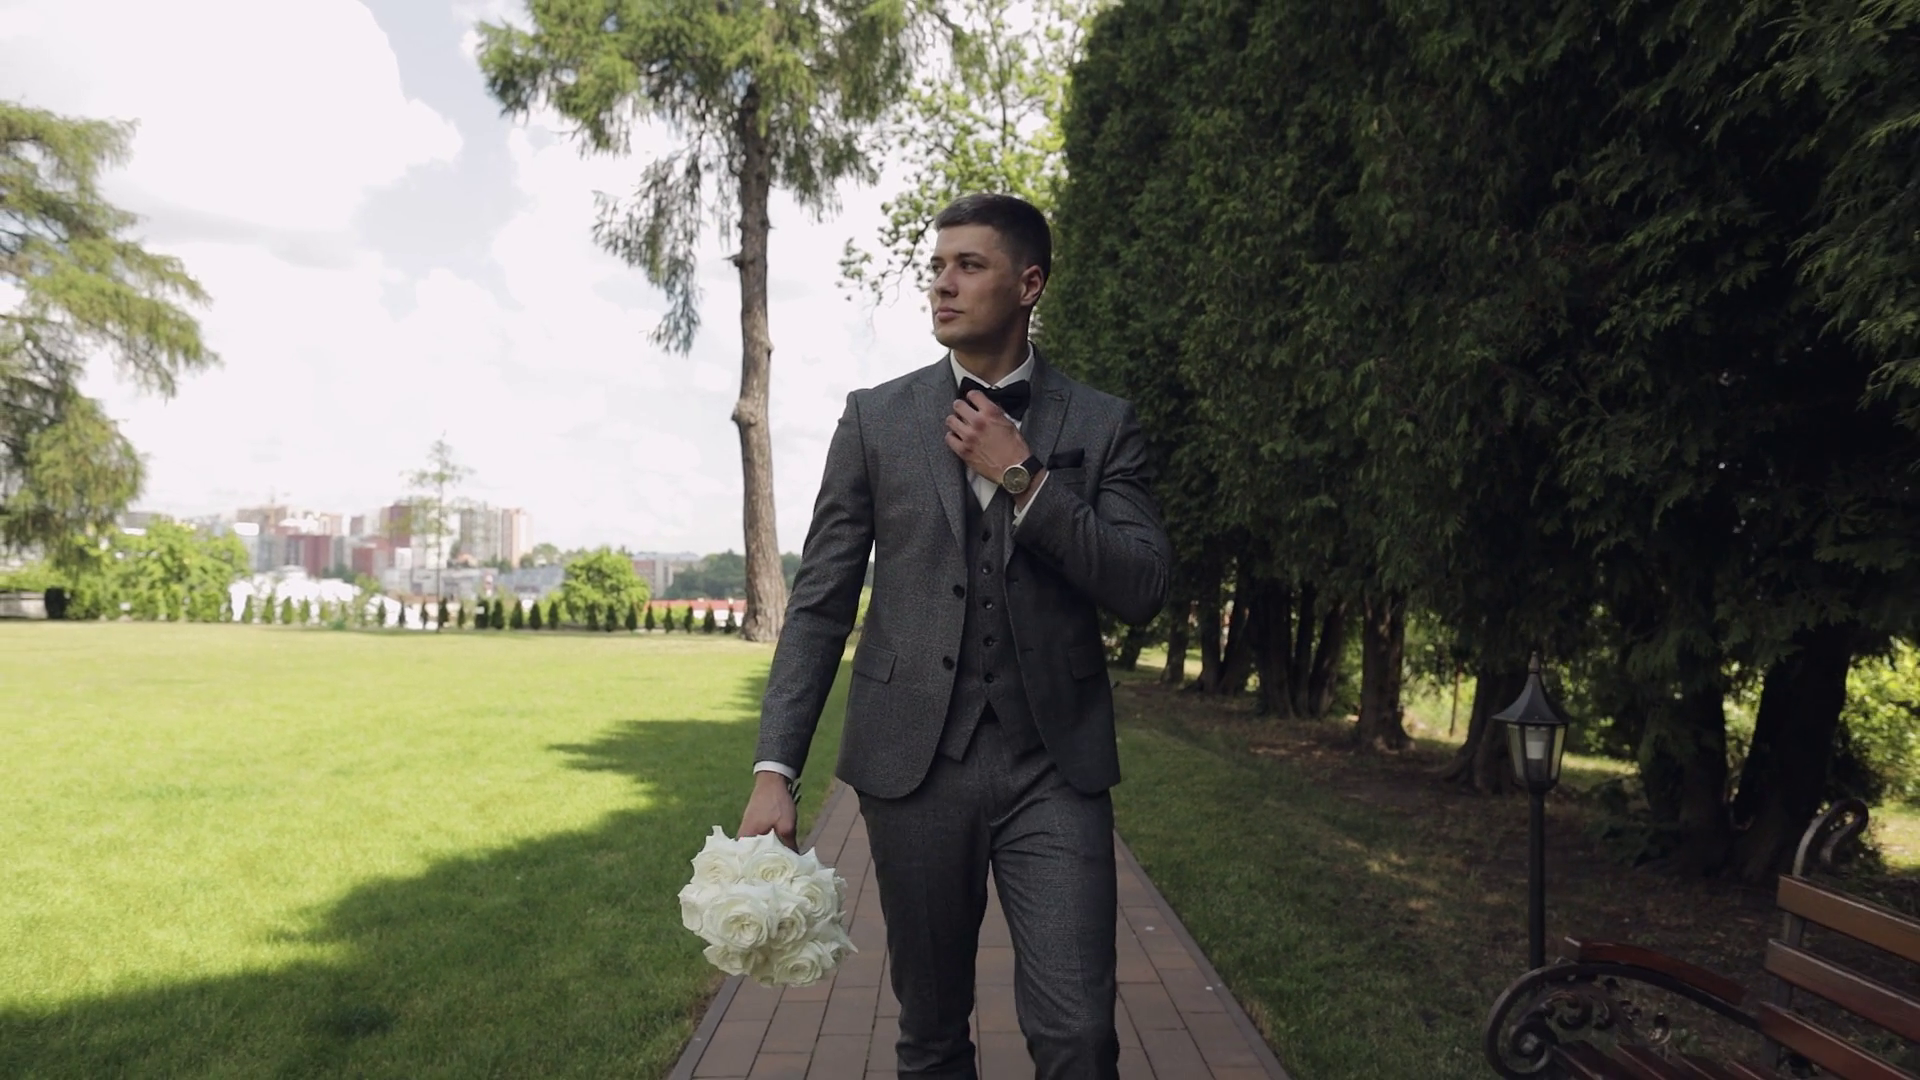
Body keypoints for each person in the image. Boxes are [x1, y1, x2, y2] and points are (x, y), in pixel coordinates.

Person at [739, 192, 1171, 1079]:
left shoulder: (1102, 423)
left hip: (1054, 766)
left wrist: (1026, 479)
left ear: (1029, 284)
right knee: (932, 1032)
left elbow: (1142, 586)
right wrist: (775, 770)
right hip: (913, 767)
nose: (942, 283)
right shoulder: (876, 418)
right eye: (937, 266)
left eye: (969, 266)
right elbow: (820, 602)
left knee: (1079, 1035)